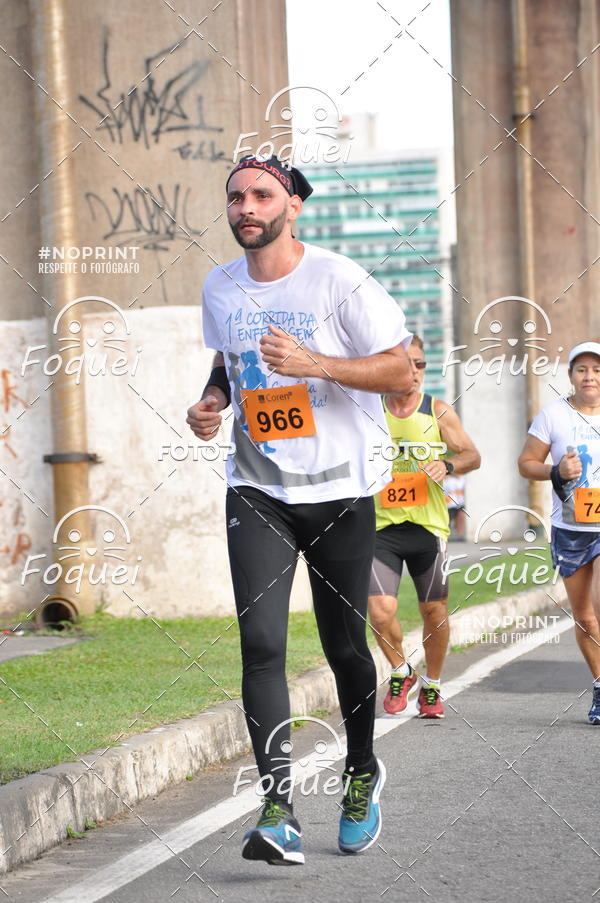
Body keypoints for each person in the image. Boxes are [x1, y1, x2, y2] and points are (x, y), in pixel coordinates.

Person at [187, 155, 413, 865]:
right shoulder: (219, 286)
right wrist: (213, 402)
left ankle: (361, 772)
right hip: (258, 487)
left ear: (293, 206)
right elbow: (227, 363)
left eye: (262, 195)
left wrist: (316, 363)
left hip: (340, 491)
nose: (246, 207)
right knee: (261, 645)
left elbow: (400, 368)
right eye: (236, 197)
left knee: (345, 648)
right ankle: (278, 809)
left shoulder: (340, 281)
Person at [368, 336, 481, 718]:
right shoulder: (368, 410)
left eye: (421, 364)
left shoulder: (437, 410)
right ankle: (401, 670)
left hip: (428, 528)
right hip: (380, 527)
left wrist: (447, 465)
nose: (415, 372)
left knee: (434, 610)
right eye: (408, 364)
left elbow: (472, 455)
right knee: (379, 611)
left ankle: (431, 685)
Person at [518, 341, 600, 725]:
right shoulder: (553, 415)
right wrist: (556, 471)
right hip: (571, 529)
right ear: (571, 376)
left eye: (596, 370)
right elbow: (526, 463)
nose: (590, 377)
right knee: (585, 618)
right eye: (582, 370)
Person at [444, 473, 466, 540]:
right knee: (448, 520)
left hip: (455, 504)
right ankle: (447, 535)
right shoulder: (447, 480)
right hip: (447, 504)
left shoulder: (453, 480)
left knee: (459, 518)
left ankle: (460, 534)